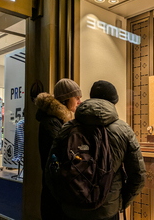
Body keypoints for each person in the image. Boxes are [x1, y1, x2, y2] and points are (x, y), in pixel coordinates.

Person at [62, 80, 146, 220]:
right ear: (113, 102)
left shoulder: (68, 128)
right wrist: (120, 202)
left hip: (73, 209)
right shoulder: (123, 130)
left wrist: (63, 199)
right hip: (108, 210)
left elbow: (51, 170)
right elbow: (138, 175)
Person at [35, 78, 82, 220]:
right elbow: (62, 153)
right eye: (77, 97)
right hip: (55, 190)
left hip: (59, 188)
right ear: (66, 99)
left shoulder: (61, 121)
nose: (80, 101)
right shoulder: (51, 122)